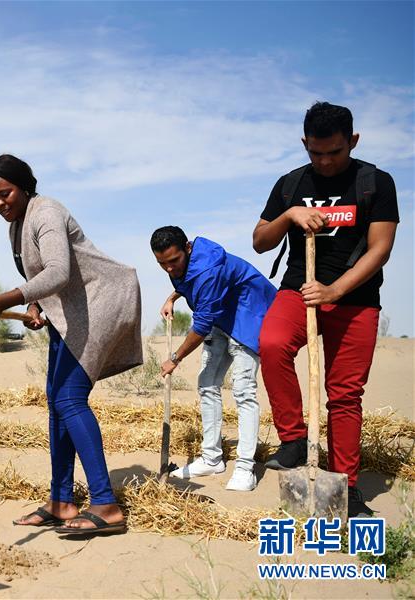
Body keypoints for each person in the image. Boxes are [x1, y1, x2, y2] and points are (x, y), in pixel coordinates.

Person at [0, 154, 143, 536]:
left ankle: (106, 504)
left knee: (69, 399)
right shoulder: (16, 226)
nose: (0, 203)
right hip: (69, 313)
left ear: (25, 186)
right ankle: (62, 501)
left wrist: (6, 299)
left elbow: (59, 271)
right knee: (57, 402)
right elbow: (42, 278)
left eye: (6, 193)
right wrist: (34, 305)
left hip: (99, 303)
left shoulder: (46, 212)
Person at [253, 102, 399, 517]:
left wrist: (335, 290)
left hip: (354, 300)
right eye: (316, 152)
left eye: (334, 152)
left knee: (345, 395)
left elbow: (380, 249)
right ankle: (295, 439)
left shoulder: (375, 182)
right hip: (298, 291)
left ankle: (347, 487)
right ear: (305, 144)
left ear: (352, 141)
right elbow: (260, 240)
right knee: (272, 343)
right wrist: (290, 214)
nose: (325, 161)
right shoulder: (290, 183)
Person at [150, 226, 276, 491]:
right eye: (162, 264)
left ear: (187, 247)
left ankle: (245, 466)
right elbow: (187, 281)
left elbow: (202, 323)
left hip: (248, 317)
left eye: (174, 261)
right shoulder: (183, 265)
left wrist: (175, 357)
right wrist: (173, 296)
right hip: (221, 317)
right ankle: (211, 458)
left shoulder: (209, 270)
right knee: (207, 384)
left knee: (243, 391)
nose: (170, 269)